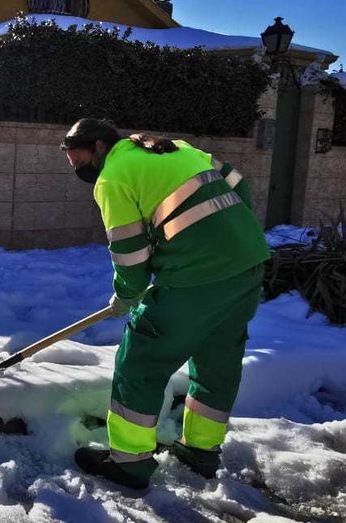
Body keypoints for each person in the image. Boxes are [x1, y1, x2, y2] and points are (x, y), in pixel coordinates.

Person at [61, 118, 271, 491]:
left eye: (77, 160)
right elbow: (239, 183)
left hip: (196, 278)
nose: (77, 169)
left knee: (140, 361)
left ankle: (129, 463)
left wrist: (126, 296)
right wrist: (230, 232)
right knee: (217, 360)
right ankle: (201, 452)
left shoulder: (113, 177)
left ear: (97, 148)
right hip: (248, 266)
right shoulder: (172, 147)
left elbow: (129, 253)